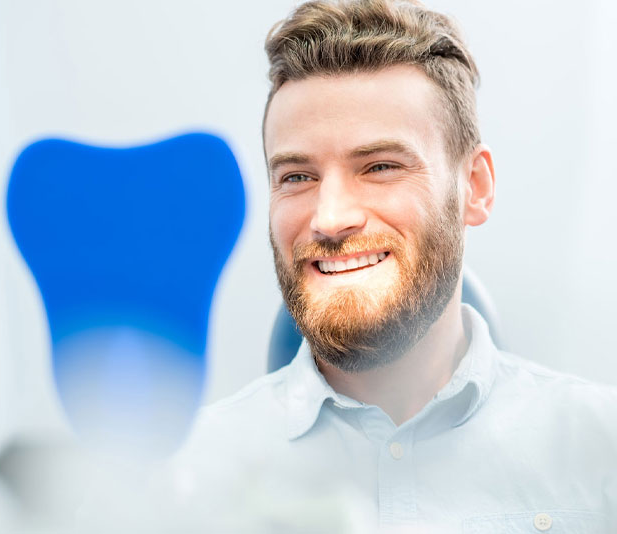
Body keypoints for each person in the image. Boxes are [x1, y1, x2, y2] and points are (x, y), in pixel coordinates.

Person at [171, 0, 617, 532]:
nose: (330, 218)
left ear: (475, 187)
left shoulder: (600, 454)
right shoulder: (184, 477)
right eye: (296, 176)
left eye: (380, 166)